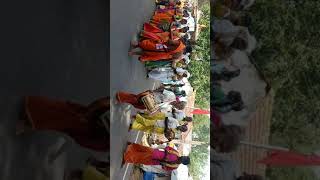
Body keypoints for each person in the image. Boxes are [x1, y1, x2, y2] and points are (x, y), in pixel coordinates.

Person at [17, 96, 109, 152]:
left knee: (64, 123)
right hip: (97, 124)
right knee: (66, 116)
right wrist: (89, 112)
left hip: (99, 134)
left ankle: (31, 118)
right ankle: (30, 112)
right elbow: (105, 102)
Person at [123, 143, 190, 171]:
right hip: (155, 152)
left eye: (182, 159)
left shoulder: (175, 166)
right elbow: (167, 147)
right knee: (142, 149)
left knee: (140, 158)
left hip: (154, 161)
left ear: (182, 162)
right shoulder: (177, 153)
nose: (181, 157)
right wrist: (166, 154)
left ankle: (127, 157)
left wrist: (164, 164)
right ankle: (132, 146)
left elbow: (165, 168)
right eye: (183, 156)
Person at [116, 88, 186, 110]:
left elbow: (158, 108)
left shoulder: (168, 107)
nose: (176, 107)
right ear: (179, 103)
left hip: (150, 104)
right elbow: (162, 89)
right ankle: (121, 96)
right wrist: (152, 91)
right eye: (178, 107)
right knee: (136, 99)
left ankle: (123, 98)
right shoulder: (172, 95)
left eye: (178, 108)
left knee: (137, 105)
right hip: (150, 96)